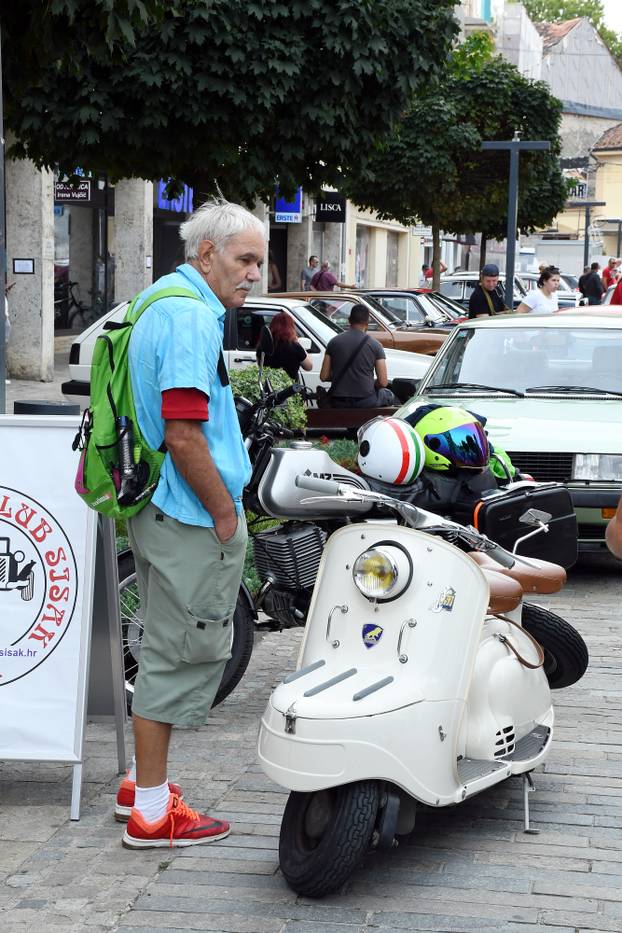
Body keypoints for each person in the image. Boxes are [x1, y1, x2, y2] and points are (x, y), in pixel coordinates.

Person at [116, 198, 264, 850]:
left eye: (260, 260)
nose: (255, 273)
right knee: (178, 657)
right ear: (207, 255)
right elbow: (183, 431)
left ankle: (139, 785)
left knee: (160, 646)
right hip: (188, 510)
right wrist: (226, 512)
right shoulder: (191, 319)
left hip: (156, 505)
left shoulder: (161, 300)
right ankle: (151, 810)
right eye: (244, 259)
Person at [319, 303, 396, 408]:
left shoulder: (333, 342)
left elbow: (323, 376)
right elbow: (383, 382)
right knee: (388, 395)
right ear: (367, 322)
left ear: (349, 320)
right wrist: (368, 383)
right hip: (366, 401)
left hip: (338, 402)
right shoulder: (375, 345)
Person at [259, 311, 313, 380]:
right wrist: (300, 345)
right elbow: (309, 367)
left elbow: (259, 364)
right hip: (289, 387)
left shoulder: (264, 345)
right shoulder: (294, 346)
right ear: (291, 327)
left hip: (268, 385)